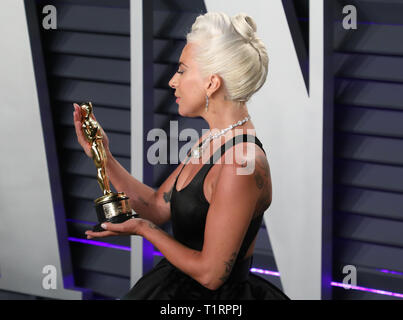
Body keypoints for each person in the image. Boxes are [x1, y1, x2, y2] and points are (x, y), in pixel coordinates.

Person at [73, 12, 289, 300]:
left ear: (212, 83)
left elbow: (212, 275)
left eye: (183, 70)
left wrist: (142, 229)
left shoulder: (242, 163)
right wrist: (103, 155)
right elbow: (155, 206)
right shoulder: (211, 140)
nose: (173, 81)